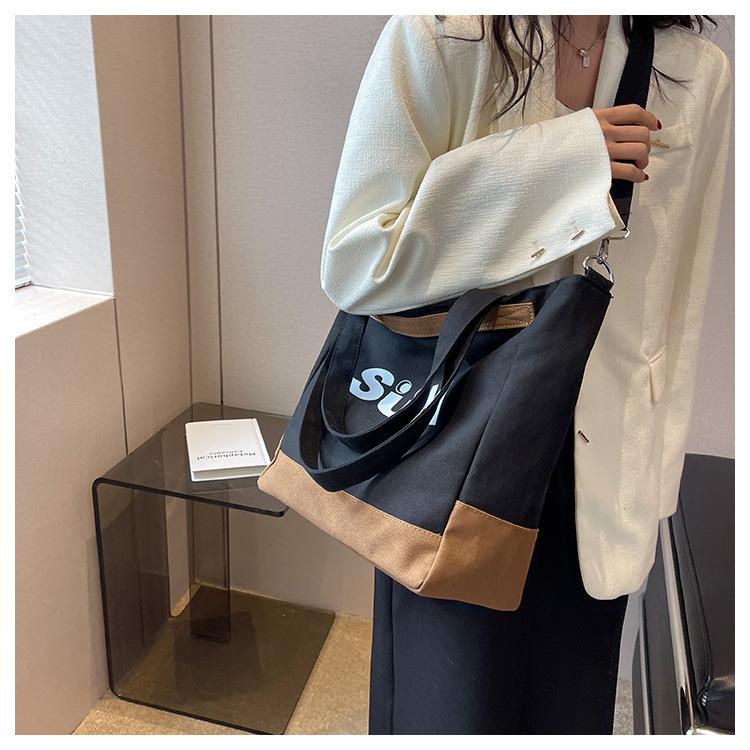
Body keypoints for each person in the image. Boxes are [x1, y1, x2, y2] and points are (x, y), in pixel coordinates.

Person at [319, 15, 732, 734]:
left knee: (568, 713)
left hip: (602, 472)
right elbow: (358, 261)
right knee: (444, 711)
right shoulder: (444, 35)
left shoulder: (696, 72)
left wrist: (654, 490)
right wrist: (561, 160)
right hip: (454, 456)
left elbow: (678, 301)